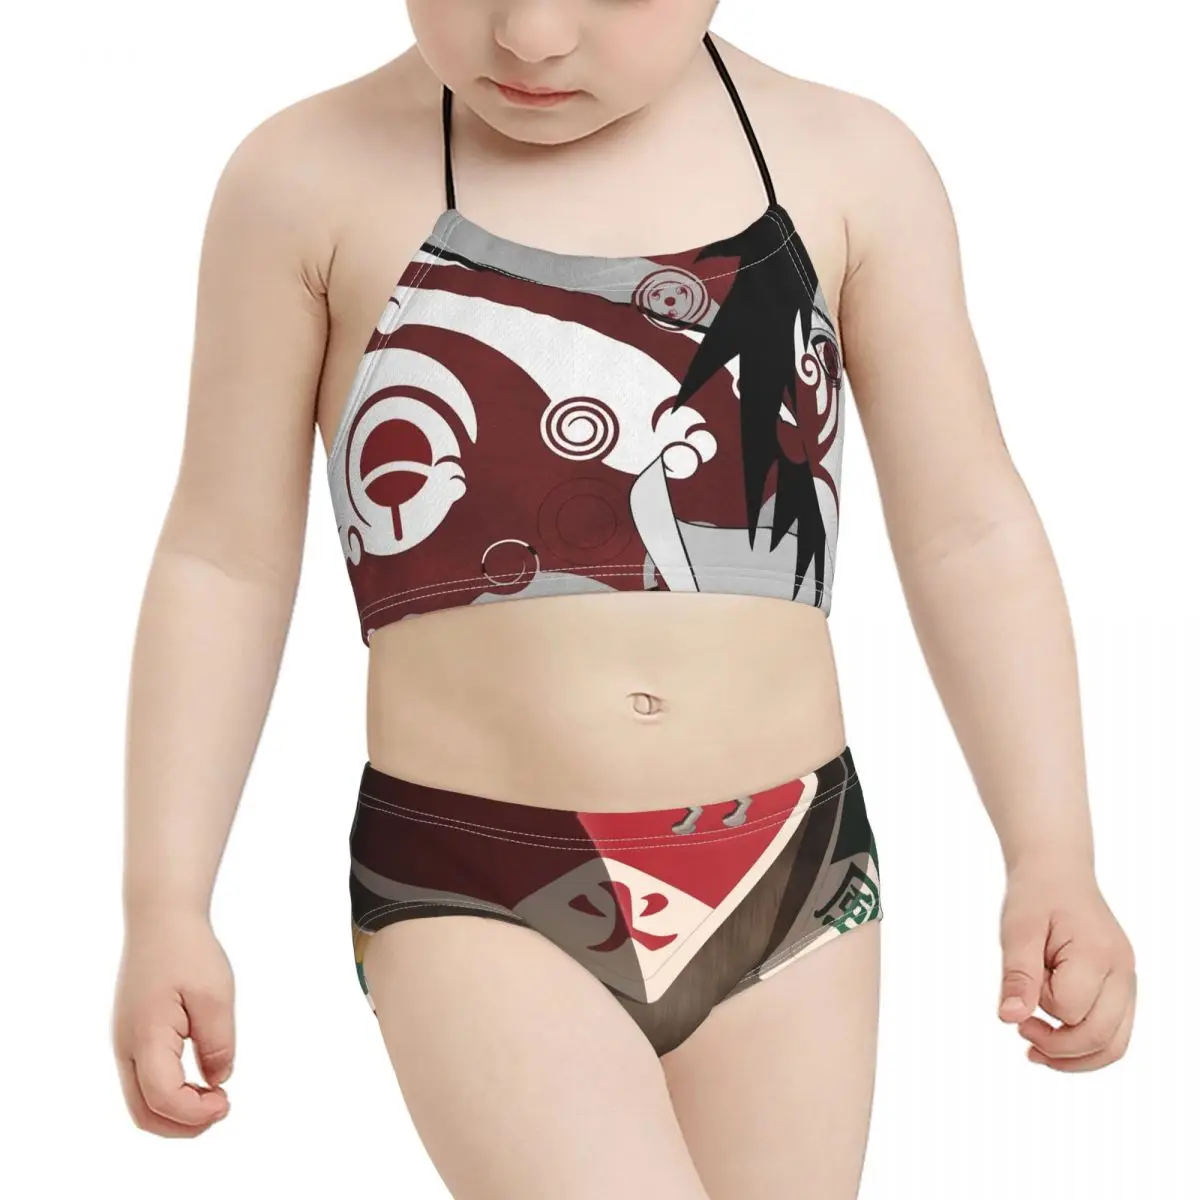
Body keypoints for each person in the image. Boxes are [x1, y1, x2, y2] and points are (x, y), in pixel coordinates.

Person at [111, 2, 1138, 1197]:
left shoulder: (850, 165)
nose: (533, 34)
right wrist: (165, 899)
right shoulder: (310, 179)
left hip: (792, 872)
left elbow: (970, 531)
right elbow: (223, 563)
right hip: (478, 881)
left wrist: (1053, 851)